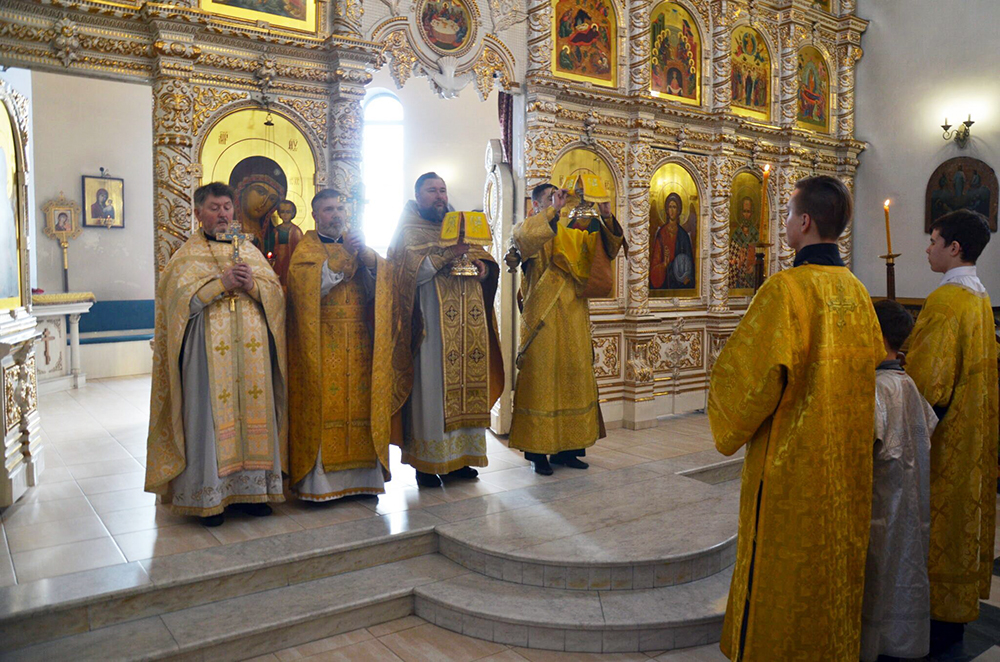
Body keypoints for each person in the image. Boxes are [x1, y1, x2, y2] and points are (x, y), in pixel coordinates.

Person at [707, 175, 884, 660]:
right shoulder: (857, 291)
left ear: (804, 222)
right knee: (830, 568)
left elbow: (749, 383)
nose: (784, 221)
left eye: (787, 213)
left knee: (782, 576)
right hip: (844, 467)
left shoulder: (785, 290)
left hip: (790, 472)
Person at [145, 182, 287, 527]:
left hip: (252, 357)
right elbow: (180, 306)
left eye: (226, 207)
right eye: (214, 208)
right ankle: (210, 497)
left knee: (254, 415)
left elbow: (276, 297)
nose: (222, 214)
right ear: (198, 214)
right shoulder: (185, 257)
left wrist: (253, 286)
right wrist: (221, 283)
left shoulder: (250, 251)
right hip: (206, 356)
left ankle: (253, 494)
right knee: (208, 420)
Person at [904, 209, 998, 652]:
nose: (928, 247)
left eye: (933, 240)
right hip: (971, 439)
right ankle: (950, 629)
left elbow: (929, 385)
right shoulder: (979, 297)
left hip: (944, 445)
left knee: (934, 533)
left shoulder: (946, 301)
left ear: (953, 247)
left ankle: (932, 629)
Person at [387, 172, 503, 487]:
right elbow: (406, 277)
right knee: (431, 393)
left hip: (469, 332)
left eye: (442, 190)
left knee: (467, 390)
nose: (439, 196)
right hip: (430, 334)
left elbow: (486, 262)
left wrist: (483, 269)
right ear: (417, 195)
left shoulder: (461, 228)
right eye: (431, 191)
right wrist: (448, 254)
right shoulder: (409, 230)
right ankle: (427, 464)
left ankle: (461, 459)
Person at [508, 182, 624, 474]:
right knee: (542, 382)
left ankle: (569, 449)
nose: (559, 202)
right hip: (542, 318)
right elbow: (522, 242)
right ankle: (537, 453)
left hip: (573, 313)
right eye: (550, 198)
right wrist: (553, 212)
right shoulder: (528, 228)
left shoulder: (575, 228)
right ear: (535, 205)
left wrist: (607, 216)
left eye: (560, 197)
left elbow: (608, 252)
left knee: (573, 377)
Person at [286, 189, 392, 502]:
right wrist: (346, 255)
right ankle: (322, 487)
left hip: (359, 341)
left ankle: (364, 480)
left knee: (362, 406)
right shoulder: (306, 249)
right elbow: (308, 292)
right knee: (323, 408)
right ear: (315, 215)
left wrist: (371, 261)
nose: (337, 215)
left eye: (340, 209)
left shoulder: (358, 246)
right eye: (329, 210)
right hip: (321, 341)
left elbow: (380, 290)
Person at [860, 299, 937, 662]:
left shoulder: (878, 389)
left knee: (881, 571)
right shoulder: (907, 384)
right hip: (910, 501)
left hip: (883, 506)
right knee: (904, 566)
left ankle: (875, 645)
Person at [649, 192, 694, 289]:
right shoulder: (661, 233)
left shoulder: (683, 235)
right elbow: (654, 266)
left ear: (678, 210)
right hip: (665, 282)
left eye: (674, 207)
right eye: (670, 207)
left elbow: (689, 263)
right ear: (666, 210)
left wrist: (686, 276)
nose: (672, 210)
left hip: (679, 284)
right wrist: (664, 264)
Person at [267, 199, 304, 288]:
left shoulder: (297, 231)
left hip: (291, 259)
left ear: (292, 213)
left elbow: (300, 249)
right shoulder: (275, 231)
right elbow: (270, 247)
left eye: (288, 212)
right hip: (279, 260)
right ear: (279, 214)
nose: (285, 215)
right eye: (283, 212)